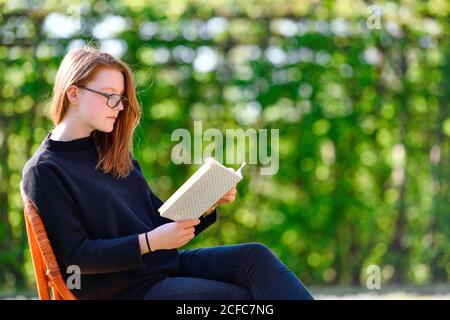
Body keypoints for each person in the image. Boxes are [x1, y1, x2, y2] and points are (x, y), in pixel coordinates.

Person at [21, 46, 314, 300]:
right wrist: (152, 242)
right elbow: (76, 259)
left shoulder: (112, 154)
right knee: (244, 300)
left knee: (254, 257)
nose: (119, 107)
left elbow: (160, 223)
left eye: (121, 98)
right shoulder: (45, 171)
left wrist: (208, 201)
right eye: (109, 96)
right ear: (73, 93)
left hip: (160, 267)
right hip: (124, 292)